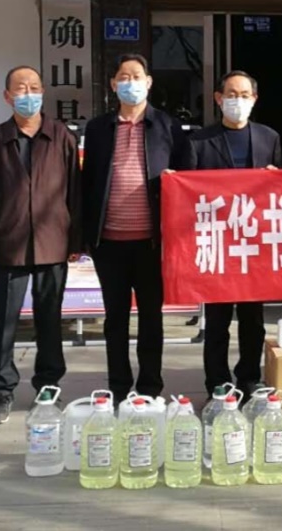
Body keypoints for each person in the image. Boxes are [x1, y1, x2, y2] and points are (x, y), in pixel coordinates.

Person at [0, 66, 81, 424]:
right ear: (7, 96)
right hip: (8, 246)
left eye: (34, 87)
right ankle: (2, 390)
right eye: (21, 88)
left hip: (53, 244)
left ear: (43, 92)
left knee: (50, 321)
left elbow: (75, 192)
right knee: (3, 323)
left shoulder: (62, 136)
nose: (28, 94)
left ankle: (48, 387)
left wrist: (75, 240)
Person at [82, 54, 190, 403]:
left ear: (149, 82)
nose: (130, 82)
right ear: (113, 84)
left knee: (150, 318)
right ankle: (118, 386)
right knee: (114, 319)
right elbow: (87, 182)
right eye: (123, 77)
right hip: (109, 242)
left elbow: (187, 178)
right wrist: (85, 236)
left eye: (137, 76)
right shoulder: (98, 128)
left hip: (151, 243)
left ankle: (150, 387)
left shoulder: (167, 126)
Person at [186, 70, 282, 396]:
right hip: (217, 244)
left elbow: (281, 194)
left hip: (254, 244)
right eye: (231, 95)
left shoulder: (269, 138)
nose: (237, 101)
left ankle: (249, 378)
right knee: (217, 321)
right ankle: (217, 382)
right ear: (218, 98)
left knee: (253, 320)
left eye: (244, 95)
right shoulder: (199, 141)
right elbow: (187, 191)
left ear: (254, 100)